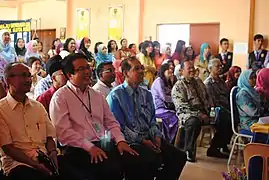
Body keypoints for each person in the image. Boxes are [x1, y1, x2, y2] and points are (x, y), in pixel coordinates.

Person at [49, 53, 141, 180]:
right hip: (78, 148)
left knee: (136, 159)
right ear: (70, 75)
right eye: (81, 69)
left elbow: (111, 122)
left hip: (104, 143)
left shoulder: (96, 95)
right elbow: (63, 132)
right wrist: (89, 147)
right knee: (107, 169)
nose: (87, 71)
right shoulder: (60, 97)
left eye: (88, 67)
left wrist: (120, 140)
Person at [107, 57, 187, 180]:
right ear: (126, 73)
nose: (141, 71)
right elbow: (120, 127)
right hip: (129, 141)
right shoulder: (115, 96)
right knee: (149, 159)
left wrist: (156, 136)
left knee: (179, 156)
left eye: (142, 68)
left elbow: (152, 120)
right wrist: (143, 141)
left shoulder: (146, 94)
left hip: (149, 136)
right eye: (136, 69)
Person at [0, 63, 82, 180]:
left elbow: (49, 137)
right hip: (18, 164)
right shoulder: (2, 110)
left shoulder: (37, 106)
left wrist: (53, 153)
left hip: (44, 158)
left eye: (29, 75)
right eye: (23, 76)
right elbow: (8, 148)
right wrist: (36, 165)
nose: (28, 80)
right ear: (9, 80)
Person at [172, 60, 210, 162]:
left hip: (204, 112)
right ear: (182, 71)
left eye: (193, 68)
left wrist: (211, 109)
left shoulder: (198, 82)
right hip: (188, 114)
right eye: (189, 68)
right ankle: (188, 150)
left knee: (225, 117)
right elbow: (182, 107)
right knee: (194, 122)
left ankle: (216, 147)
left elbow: (207, 97)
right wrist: (199, 114)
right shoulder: (178, 86)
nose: (192, 70)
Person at [204, 59, 233, 158]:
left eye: (221, 66)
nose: (220, 68)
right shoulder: (208, 83)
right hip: (214, 110)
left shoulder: (221, 81)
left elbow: (226, 95)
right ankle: (213, 148)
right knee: (226, 118)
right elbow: (212, 102)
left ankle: (223, 143)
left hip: (224, 107)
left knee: (235, 118)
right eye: (217, 66)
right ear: (210, 68)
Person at [151, 63, 178, 143]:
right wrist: (175, 100)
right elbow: (164, 97)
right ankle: (170, 140)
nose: (171, 70)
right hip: (158, 108)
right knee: (174, 117)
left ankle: (173, 139)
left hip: (166, 107)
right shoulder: (159, 81)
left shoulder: (167, 81)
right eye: (168, 69)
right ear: (163, 71)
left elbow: (173, 93)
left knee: (178, 114)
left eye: (171, 69)